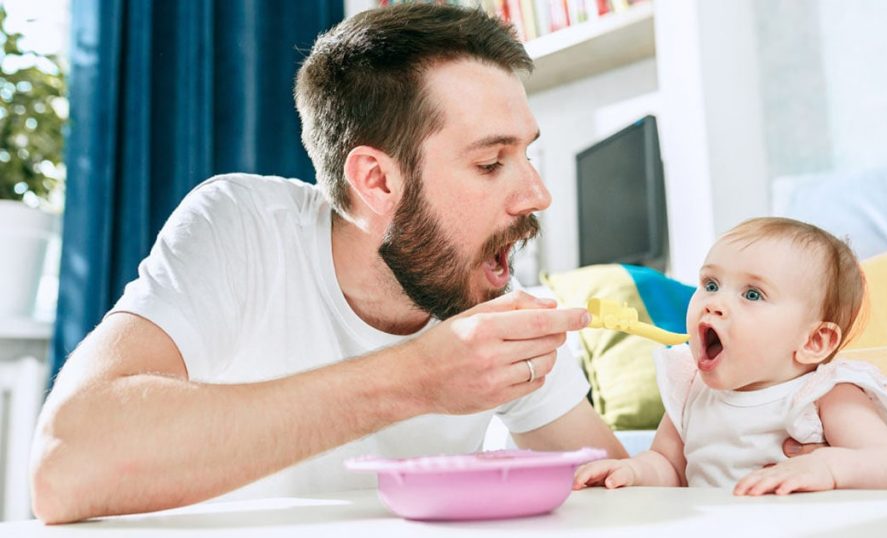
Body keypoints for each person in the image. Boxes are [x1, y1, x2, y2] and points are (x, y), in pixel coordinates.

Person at [29, 4, 628, 524]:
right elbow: (64, 465)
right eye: (492, 163)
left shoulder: (477, 290)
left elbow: (615, 489)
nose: (537, 194)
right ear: (377, 179)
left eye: (527, 154)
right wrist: (417, 378)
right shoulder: (243, 227)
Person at [574, 217, 887, 495]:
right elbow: (668, 466)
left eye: (752, 294)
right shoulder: (690, 388)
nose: (714, 302)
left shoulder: (825, 393)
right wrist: (633, 471)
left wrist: (827, 467)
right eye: (710, 284)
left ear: (814, 340)